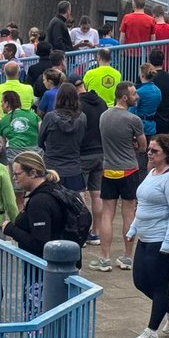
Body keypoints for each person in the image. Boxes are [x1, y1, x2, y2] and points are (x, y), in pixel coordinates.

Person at [125, 134, 169, 338]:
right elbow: (142, 204)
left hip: (162, 240)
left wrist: (167, 242)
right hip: (145, 237)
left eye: (154, 151)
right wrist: (133, 228)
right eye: (149, 150)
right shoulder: (151, 173)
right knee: (140, 281)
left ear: (167, 154)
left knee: (160, 285)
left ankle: (151, 332)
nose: (149, 154)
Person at [92, 83, 146, 272]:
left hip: (108, 169)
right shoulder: (134, 119)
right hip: (129, 170)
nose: (136, 97)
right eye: (133, 94)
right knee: (129, 214)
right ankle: (127, 257)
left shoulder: (104, 116)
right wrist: (134, 144)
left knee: (107, 214)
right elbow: (143, 146)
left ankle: (105, 257)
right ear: (124, 97)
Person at [3, 151, 67, 259]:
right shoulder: (55, 189)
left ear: (33, 173)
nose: (14, 178)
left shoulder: (39, 202)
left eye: (17, 174)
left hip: (43, 267)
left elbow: (39, 243)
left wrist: (10, 229)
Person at [38, 83, 87, 192]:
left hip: (52, 167)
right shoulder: (82, 117)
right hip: (73, 167)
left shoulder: (50, 117)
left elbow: (40, 141)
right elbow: (82, 141)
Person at [77, 75, 107, 247]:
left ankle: (81, 231)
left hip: (83, 153)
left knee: (79, 193)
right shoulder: (101, 101)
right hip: (100, 152)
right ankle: (95, 232)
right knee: (97, 194)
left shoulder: (78, 105)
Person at [119, 0, 156, 83]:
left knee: (128, 79)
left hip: (129, 54)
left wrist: (121, 51)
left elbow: (122, 38)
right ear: (144, 5)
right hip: (144, 55)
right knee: (143, 79)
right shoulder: (151, 19)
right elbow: (153, 40)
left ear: (134, 5)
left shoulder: (127, 18)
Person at [149, 49, 169, 135]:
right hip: (166, 117)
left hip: (151, 118)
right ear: (163, 61)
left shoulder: (148, 78)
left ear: (149, 62)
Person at [132, 63, 162, 136]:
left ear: (142, 75)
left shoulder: (139, 92)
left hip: (140, 127)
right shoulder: (157, 90)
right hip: (152, 126)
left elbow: (131, 111)